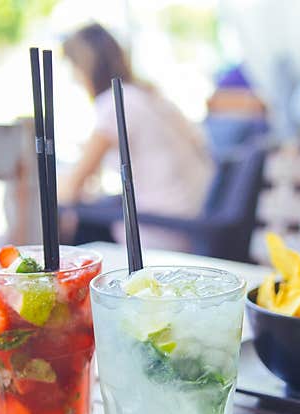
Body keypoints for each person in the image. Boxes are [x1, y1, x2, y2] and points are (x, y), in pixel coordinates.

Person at [59, 23, 214, 250]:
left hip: (158, 231)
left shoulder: (116, 103)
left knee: (73, 225)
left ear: (83, 67)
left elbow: (72, 188)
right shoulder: (148, 95)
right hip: (193, 221)